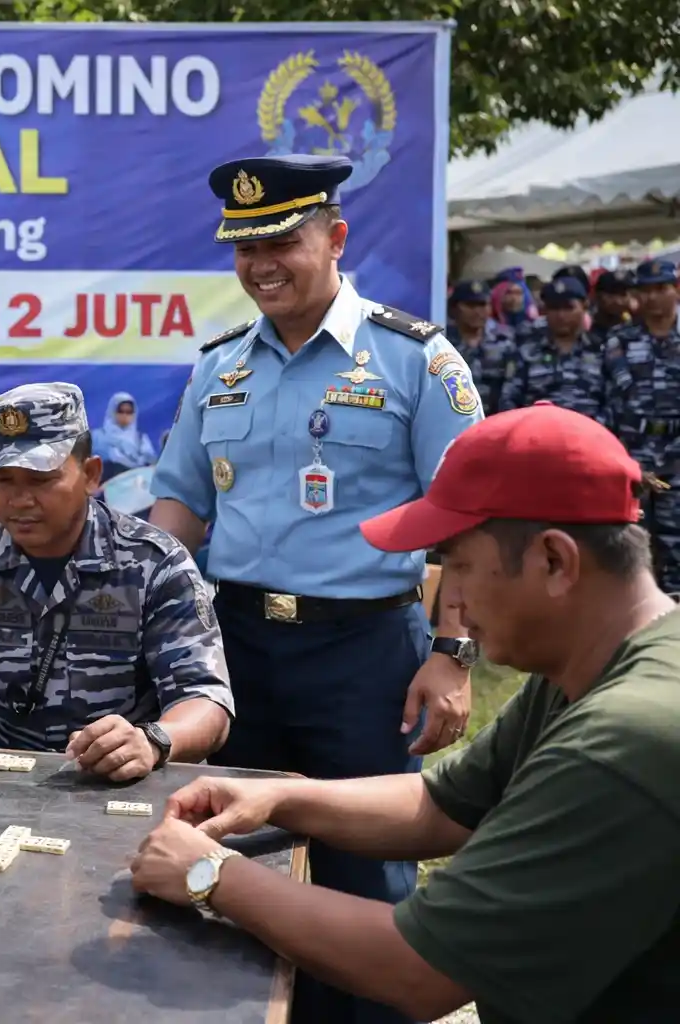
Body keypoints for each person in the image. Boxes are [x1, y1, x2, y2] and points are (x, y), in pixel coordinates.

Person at [131, 404, 680, 1024]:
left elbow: (422, 970)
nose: (453, 600)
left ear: (554, 562)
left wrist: (211, 874)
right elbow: (446, 807)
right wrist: (278, 799)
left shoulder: (622, 739)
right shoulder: (594, 669)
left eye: (463, 566)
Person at [147, 155, 482, 1024]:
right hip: (237, 650)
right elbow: (181, 504)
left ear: (334, 239)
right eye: (244, 247)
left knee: (361, 870)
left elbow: (472, 517)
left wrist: (452, 653)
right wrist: (141, 615)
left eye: (282, 242)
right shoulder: (220, 366)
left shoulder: (416, 360)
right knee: (231, 856)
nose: (261, 264)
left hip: (364, 654)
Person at [0, 383, 233, 773]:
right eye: (3, 480)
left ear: (91, 475)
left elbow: (205, 701)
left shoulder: (155, 564)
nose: (20, 500)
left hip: (118, 777)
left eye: (41, 480)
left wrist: (154, 740)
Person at [604, 258, 680, 591]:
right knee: (633, 547)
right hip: (633, 461)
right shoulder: (620, 339)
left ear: (675, 290)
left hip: (678, 460)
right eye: (646, 290)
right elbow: (609, 404)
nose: (653, 297)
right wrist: (623, 459)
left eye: (661, 289)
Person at [499, 277, 607, 424]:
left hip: (590, 437)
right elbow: (509, 400)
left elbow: (614, 403)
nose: (561, 316)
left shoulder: (601, 350)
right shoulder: (527, 353)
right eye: (554, 308)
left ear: (585, 306)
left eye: (569, 308)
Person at [445, 279, 515, 415]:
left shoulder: (505, 339)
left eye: (483, 305)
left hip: (495, 418)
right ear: (454, 308)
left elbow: (511, 387)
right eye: (470, 306)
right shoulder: (443, 341)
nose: (478, 312)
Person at [94, 391, 157, 478]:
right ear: (112, 411)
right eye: (121, 411)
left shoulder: (141, 439)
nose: (125, 415)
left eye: (129, 412)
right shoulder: (98, 437)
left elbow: (151, 464)